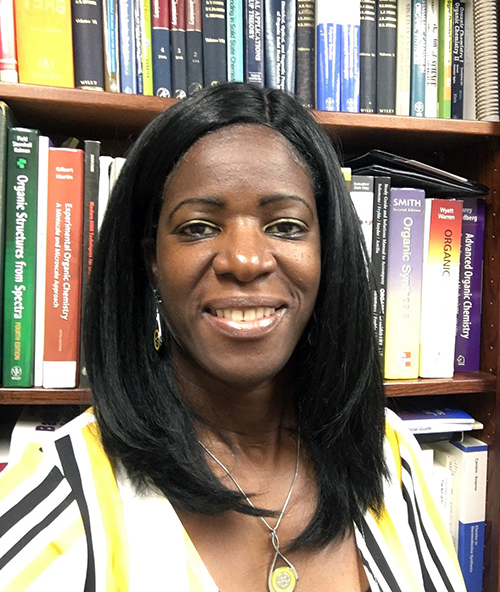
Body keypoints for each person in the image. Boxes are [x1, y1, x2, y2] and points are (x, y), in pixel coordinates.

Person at [0, 83, 465, 591]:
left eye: (286, 226)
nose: (245, 261)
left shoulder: (387, 453)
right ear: (152, 260)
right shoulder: (59, 493)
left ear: (325, 253)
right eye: (199, 227)